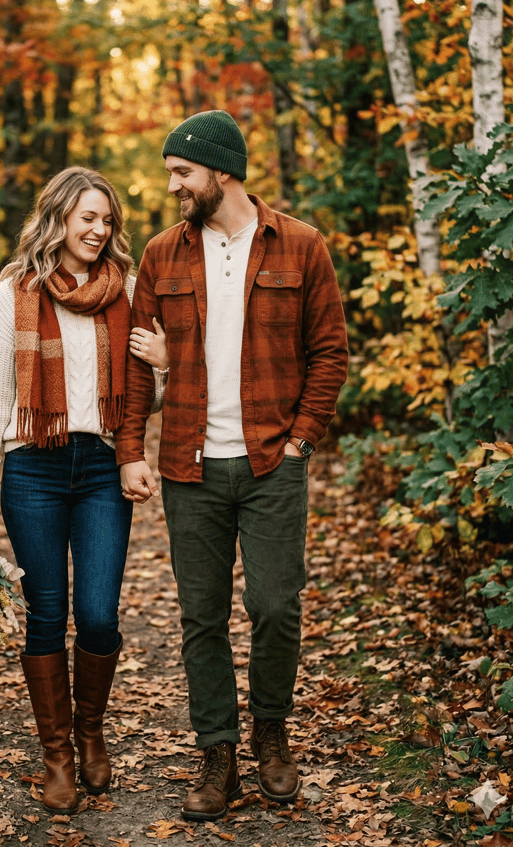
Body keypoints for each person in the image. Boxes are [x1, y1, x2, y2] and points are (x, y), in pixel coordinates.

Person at [117, 111, 349, 821]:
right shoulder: (162, 254)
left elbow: (330, 353)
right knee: (202, 615)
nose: (172, 186)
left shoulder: (302, 245)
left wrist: (301, 441)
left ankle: (271, 732)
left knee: (276, 605)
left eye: (182, 172)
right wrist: (130, 448)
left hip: (272, 461)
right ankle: (217, 752)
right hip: (190, 466)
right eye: (170, 173)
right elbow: (138, 365)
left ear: (222, 170)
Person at [0, 167, 167, 815]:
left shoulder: (126, 289)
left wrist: (162, 367)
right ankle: (57, 754)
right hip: (34, 470)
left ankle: (90, 730)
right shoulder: (14, 293)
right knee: (47, 613)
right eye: (87, 218)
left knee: (99, 613)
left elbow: (145, 395)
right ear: (58, 219)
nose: (99, 230)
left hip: (102, 466)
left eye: (107, 220)